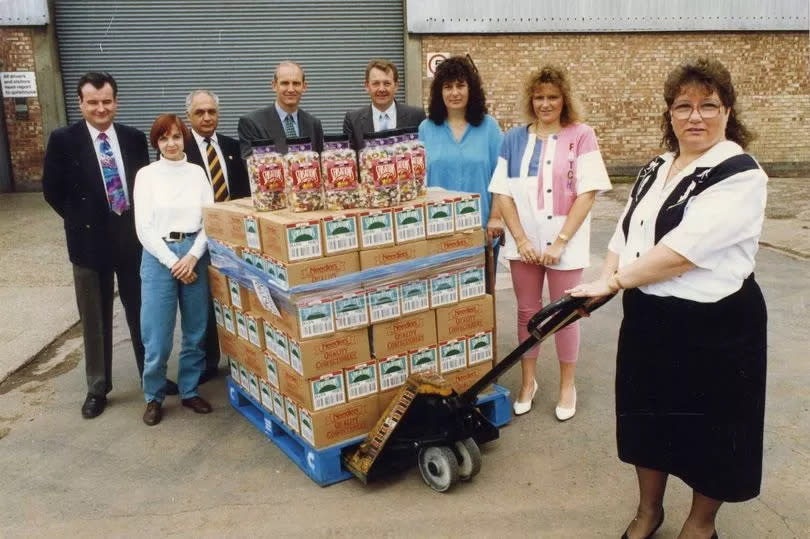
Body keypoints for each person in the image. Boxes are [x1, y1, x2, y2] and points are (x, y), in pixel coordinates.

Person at [569, 58, 767, 539]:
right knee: (646, 419)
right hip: (649, 317)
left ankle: (700, 524)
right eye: (684, 106)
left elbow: (683, 253)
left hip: (717, 325)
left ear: (727, 111)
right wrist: (604, 274)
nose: (695, 116)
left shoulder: (741, 175)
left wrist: (615, 284)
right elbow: (628, 228)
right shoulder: (658, 166)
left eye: (708, 106)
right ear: (670, 113)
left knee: (715, 431)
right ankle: (648, 511)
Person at [42, 71, 177, 420]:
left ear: (115, 102)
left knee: (142, 313)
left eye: (107, 101)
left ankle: (153, 378)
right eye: (93, 102)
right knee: (95, 317)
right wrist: (78, 220)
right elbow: (52, 190)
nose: (101, 108)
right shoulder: (63, 139)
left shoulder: (132, 138)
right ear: (81, 104)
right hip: (88, 242)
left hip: (131, 239)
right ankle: (98, 387)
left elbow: (145, 188)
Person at [488, 66, 611, 420]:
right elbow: (503, 192)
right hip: (523, 246)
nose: (545, 104)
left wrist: (559, 242)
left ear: (564, 99)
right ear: (531, 99)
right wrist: (522, 239)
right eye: (539, 97)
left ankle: (566, 384)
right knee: (527, 312)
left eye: (553, 97)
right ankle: (528, 382)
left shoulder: (581, 135)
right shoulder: (513, 138)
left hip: (564, 245)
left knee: (564, 315)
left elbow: (587, 193)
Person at [134, 114, 215, 426]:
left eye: (176, 137)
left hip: (194, 253)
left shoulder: (196, 174)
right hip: (159, 256)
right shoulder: (147, 175)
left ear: (185, 139)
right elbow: (143, 226)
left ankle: (190, 389)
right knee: (157, 334)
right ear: (157, 142)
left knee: (196, 330)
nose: (171, 143)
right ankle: (153, 396)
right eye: (164, 138)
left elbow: (210, 220)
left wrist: (193, 256)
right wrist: (173, 263)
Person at [184, 89, 250, 385]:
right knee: (203, 304)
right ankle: (207, 362)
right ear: (189, 116)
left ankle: (239, 358)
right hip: (197, 237)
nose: (207, 117)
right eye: (200, 112)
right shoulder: (179, 149)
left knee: (235, 299)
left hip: (232, 239)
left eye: (211, 111)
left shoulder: (232, 146)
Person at [418, 56, 504, 258]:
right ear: (440, 92)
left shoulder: (489, 127)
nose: (454, 92)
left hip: (482, 229)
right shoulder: (426, 129)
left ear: (470, 89)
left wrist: (495, 217)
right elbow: (420, 182)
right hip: (438, 230)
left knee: (483, 289)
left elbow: (501, 178)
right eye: (448, 87)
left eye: (460, 85)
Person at [237, 61, 324, 157]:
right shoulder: (252, 123)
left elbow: (320, 163)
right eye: (285, 83)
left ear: (304, 87)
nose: (291, 89)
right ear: (274, 86)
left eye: (296, 83)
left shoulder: (314, 124)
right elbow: (252, 165)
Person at [342, 58, 426, 151]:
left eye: (387, 83)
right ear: (367, 86)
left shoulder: (416, 116)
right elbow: (349, 158)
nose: (381, 89)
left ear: (396, 86)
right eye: (376, 83)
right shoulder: (353, 120)